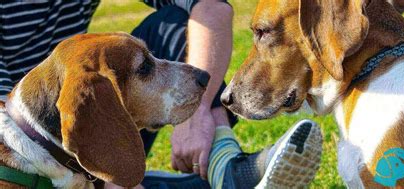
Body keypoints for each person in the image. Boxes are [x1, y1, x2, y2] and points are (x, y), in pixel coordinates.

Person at [1, 1, 322, 188]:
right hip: (38, 119)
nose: (198, 80)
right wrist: (102, 166)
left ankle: (224, 166)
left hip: (87, 105)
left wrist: (195, 117)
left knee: (179, 24)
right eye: (146, 68)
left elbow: (210, 5)